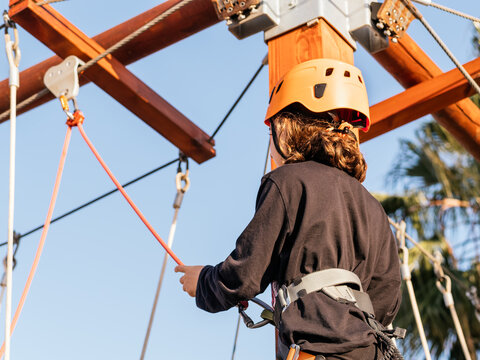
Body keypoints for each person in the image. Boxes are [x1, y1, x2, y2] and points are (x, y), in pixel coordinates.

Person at [175, 59, 402, 360]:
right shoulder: (372, 207)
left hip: (316, 352)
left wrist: (203, 282)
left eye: (271, 129)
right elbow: (386, 298)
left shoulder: (287, 182)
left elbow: (245, 274)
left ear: (286, 126)